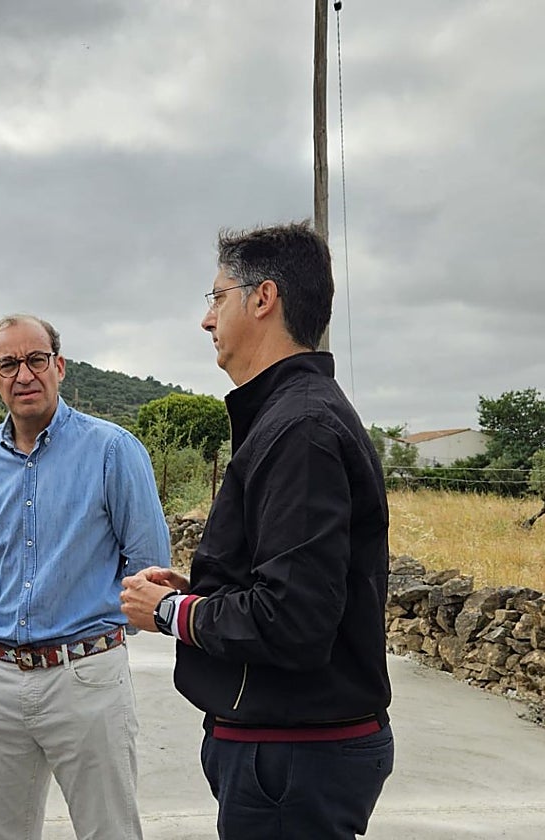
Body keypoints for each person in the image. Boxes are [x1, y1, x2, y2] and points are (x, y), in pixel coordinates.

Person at [120, 222, 394, 839]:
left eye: (217, 297)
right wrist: (204, 590)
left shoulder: (299, 429)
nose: (207, 320)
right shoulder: (291, 415)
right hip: (291, 752)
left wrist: (173, 612)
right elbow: (299, 583)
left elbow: (293, 619)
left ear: (262, 298)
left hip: (293, 756)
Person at [0, 314, 171, 840]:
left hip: (86, 678)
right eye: (8, 363)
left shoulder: (113, 450)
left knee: (109, 833)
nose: (23, 374)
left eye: (36, 359)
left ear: (60, 367)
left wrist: (96, 637)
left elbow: (148, 567)